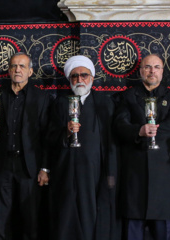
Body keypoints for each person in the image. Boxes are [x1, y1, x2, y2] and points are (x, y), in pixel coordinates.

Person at [46, 55, 119, 240]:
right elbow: (49, 137)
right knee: (66, 215)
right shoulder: (60, 104)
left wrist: (111, 173)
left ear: (92, 78)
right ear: (69, 79)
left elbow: (112, 141)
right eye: (75, 76)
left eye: (84, 75)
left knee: (92, 214)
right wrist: (66, 133)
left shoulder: (105, 103)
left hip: (95, 171)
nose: (80, 80)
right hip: (66, 170)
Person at [114, 54, 170, 240]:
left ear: (162, 71)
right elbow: (120, 124)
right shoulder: (127, 97)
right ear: (140, 71)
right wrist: (139, 131)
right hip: (134, 169)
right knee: (133, 226)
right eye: (148, 67)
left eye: (157, 67)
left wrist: (151, 132)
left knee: (164, 228)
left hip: (165, 170)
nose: (152, 71)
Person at [0, 52, 51, 240]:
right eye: (14, 66)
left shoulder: (42, 97)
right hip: (1, 164)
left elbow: (47, 136)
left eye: (22, 66)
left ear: (30, 72)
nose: (17, 70)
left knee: (30, 220)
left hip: (29, 166)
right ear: (8, 70)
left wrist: (45, 168)